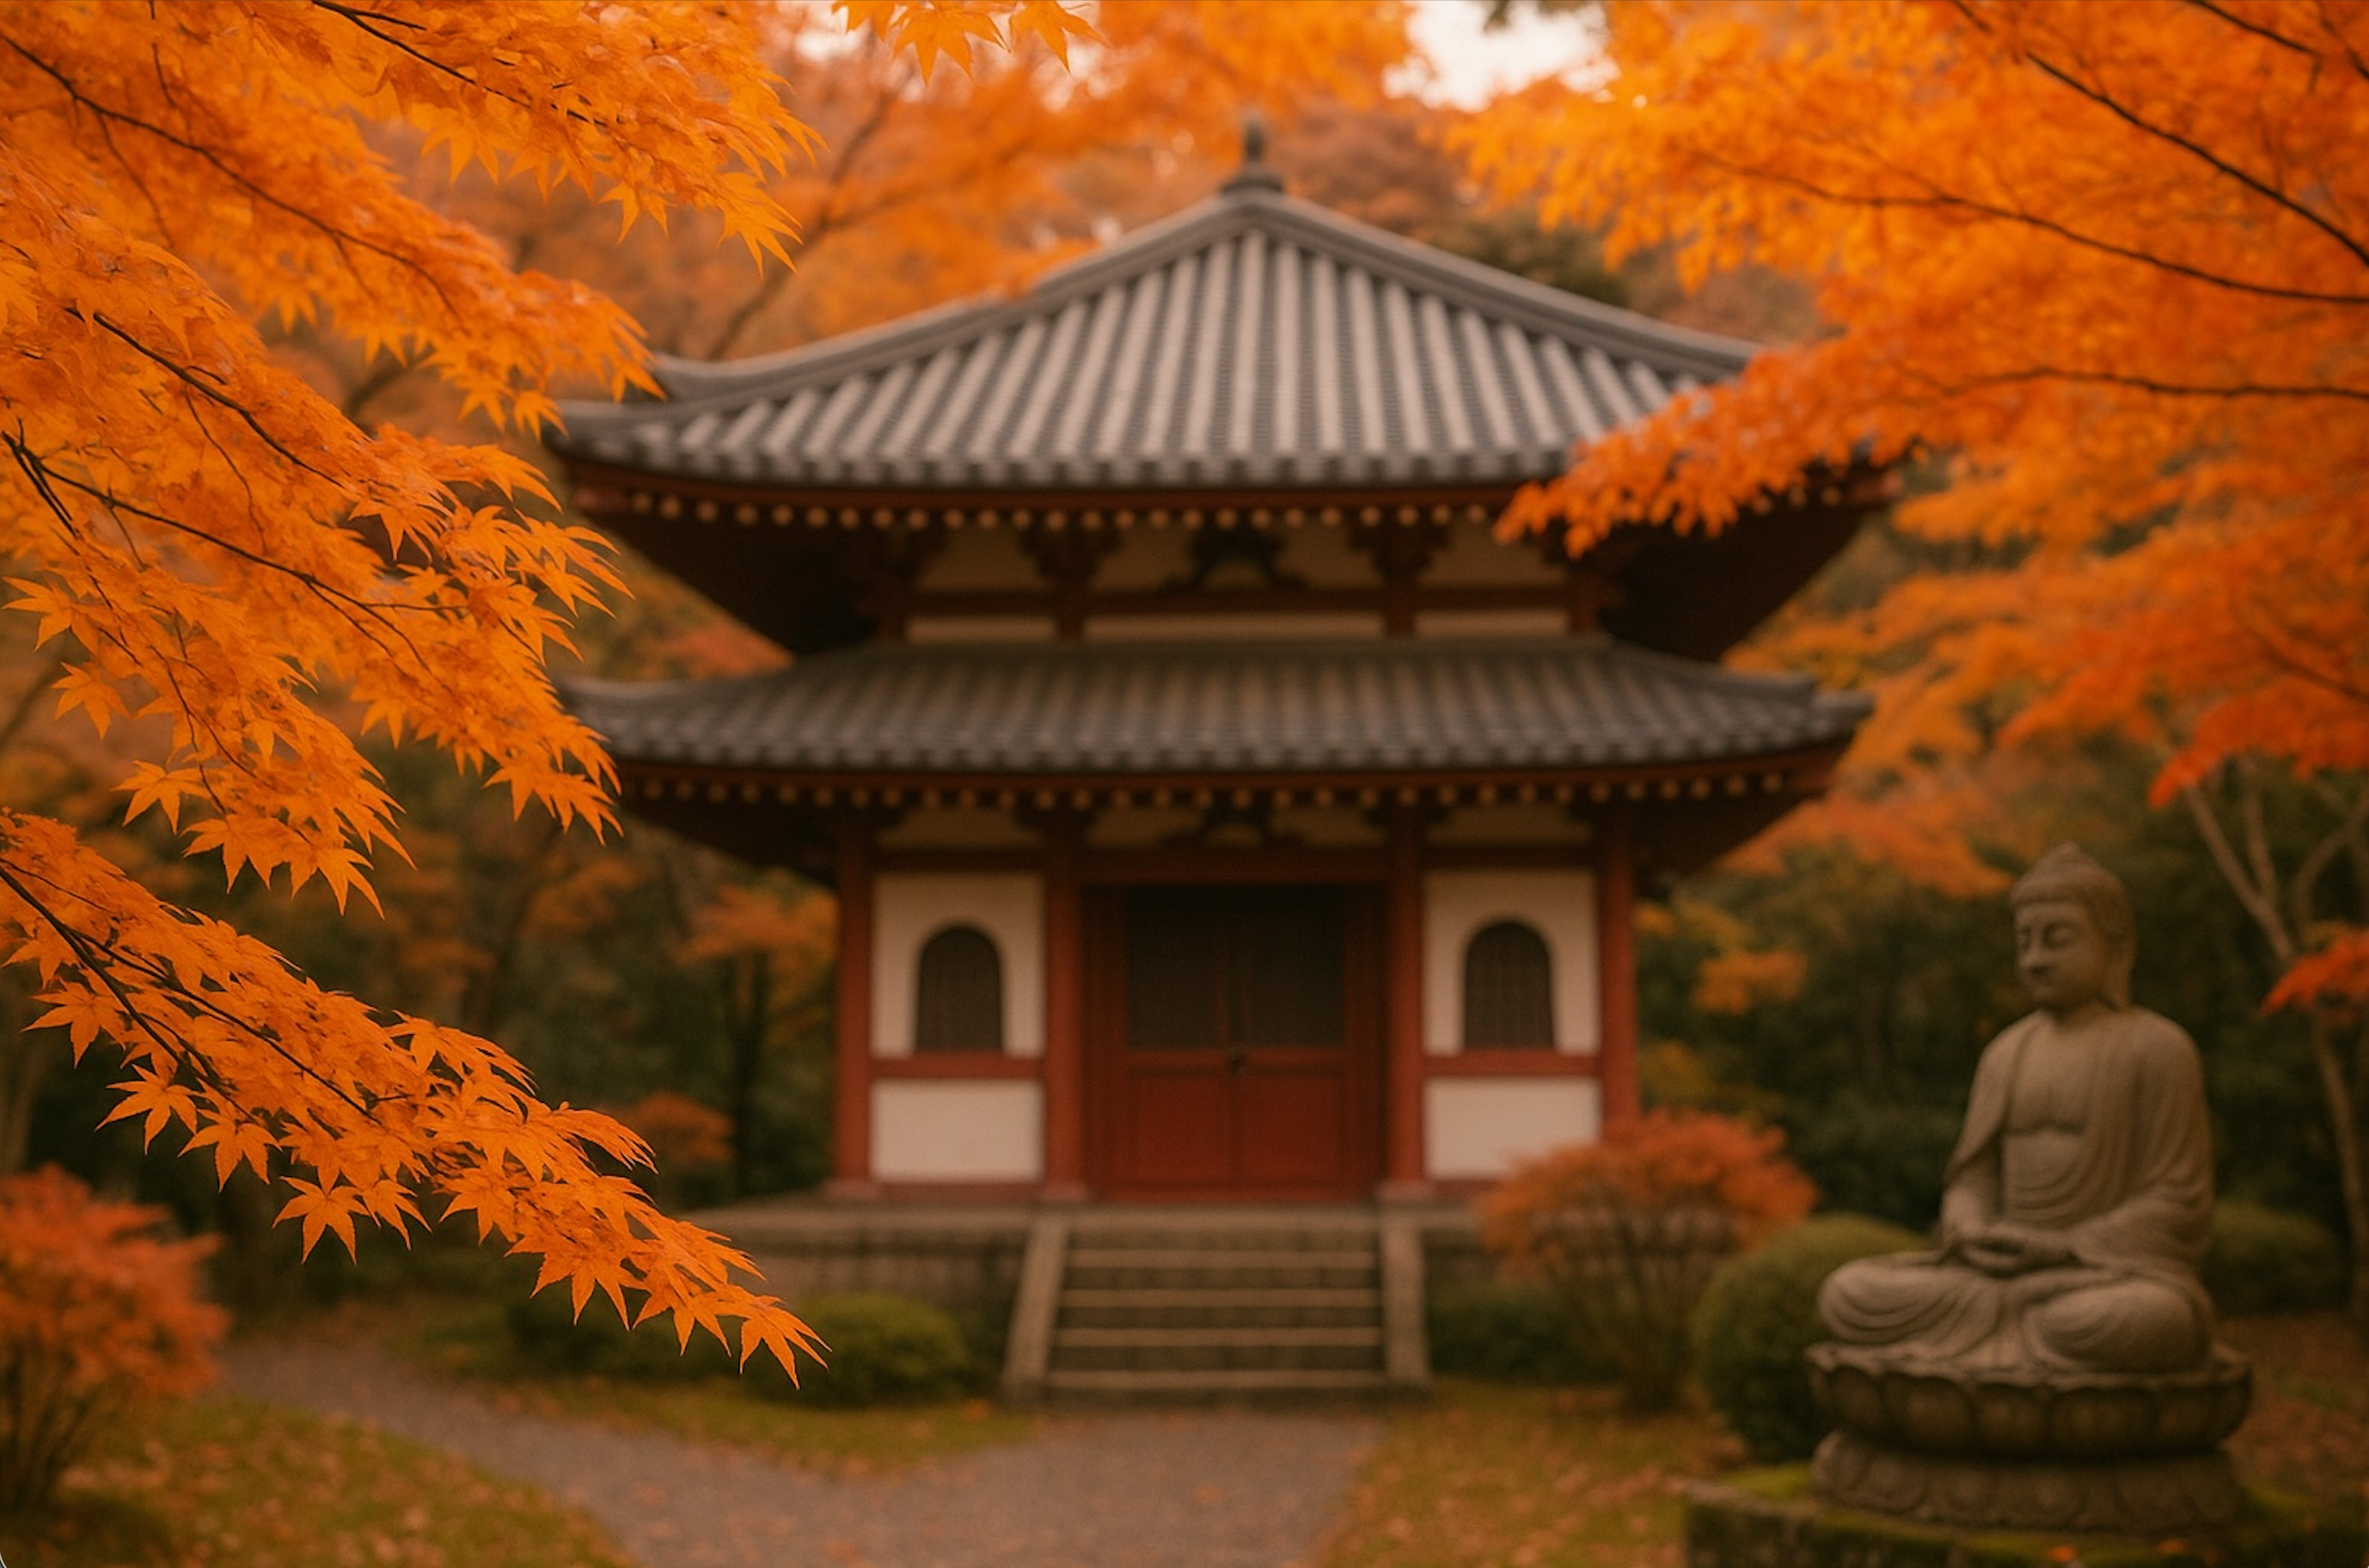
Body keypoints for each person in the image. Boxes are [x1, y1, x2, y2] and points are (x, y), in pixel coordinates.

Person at [1818, 844, 2216, 1374]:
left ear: (2115, 948)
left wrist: (2063, 1247)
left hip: (2093, 1277)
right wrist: (1970, 1227)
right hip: (1992, 1278)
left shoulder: (2157, 1049)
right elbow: (1972, 1178)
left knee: (2143, 1320)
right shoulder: (2006, 1053)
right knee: (1851, 1293)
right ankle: (2009, 1347)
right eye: (2024, 941)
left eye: (2057, 939)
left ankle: (1998, 1354)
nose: (2034, 959)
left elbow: (2178, 1201)